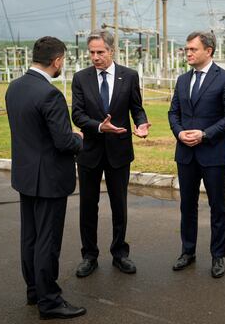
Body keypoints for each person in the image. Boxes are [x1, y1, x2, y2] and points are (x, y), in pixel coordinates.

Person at [5, 36, 86, 320]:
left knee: (30, 237)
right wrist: (78, 138)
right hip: (50, 178)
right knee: (47, 241)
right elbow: (63, 142)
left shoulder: (14, 88)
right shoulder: (49, 94)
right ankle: (49, 301)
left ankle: (34, 291)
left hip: (26, 176)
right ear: (57, 61)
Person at [71, 30, 150, 278]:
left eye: (100, 52)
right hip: (90, 152)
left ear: (111, 51)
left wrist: (142, 123)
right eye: (92, 52)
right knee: (87, 206)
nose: (95, 57)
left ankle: (120, 254)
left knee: (119, 205)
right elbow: (77, 114)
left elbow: (137, 108)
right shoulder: (80, 78)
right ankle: (89, 256)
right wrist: (98, 126)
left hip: (119, 150)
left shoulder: (129, 76)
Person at [168, 31, 225, 278]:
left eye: (192, 49)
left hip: (213, 153)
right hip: (185, 154)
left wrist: (205, 134)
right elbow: (173, 113)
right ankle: (187, 252)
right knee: (187, 206)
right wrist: (179, 133)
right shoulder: (181, 80)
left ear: (208, 51)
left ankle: (218, 256)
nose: (187, 53)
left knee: (217, 207)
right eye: (186, 49)